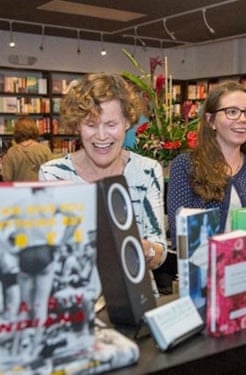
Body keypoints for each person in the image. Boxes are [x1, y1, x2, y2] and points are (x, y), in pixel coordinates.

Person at [38, 73, 167, 294]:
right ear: (77, 125)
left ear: (127, 122)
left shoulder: (146, 171)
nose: (101, 136)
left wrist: (145, 250)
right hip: (75, 303)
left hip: (137, 300)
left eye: (111, 124)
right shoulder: (53, 175)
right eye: (91, 124)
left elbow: (160, 251)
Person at [167, 81, 246, 249]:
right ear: (211, 120)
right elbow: (180, 235)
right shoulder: (185, 165)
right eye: (232, 112)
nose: (242, 119)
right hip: (204, 270)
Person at [1, 116, 53, 182]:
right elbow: (52, 175)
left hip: (19, 191)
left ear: (16, 132)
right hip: (40, 191)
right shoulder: (44, 150)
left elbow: (6, 178)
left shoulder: (12, 152)